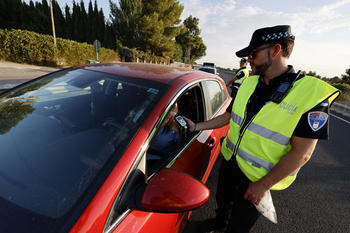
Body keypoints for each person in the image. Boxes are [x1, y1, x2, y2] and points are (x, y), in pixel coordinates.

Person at [183, 25, 340, 232]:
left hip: (258, 177)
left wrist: (264, 185)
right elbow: (229, 116)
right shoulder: (249, 83)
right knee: (223, 201)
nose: (248, 59)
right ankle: (219, 221)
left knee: (239, 225)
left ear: (275, 50)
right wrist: (197, 126)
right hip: (230, 162)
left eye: (253, 53)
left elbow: (303, 153)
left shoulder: (309, 94)